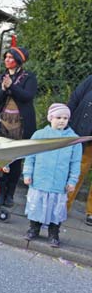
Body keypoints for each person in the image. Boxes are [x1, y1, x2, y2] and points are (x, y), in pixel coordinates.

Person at [23, 104, 82, 247]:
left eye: (65, 118)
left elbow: (75, 163)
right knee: (37, 205)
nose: (62, 121)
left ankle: (54, 233)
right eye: (58, 117)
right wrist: (27, 173)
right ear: (50, 118)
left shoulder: (73, 140)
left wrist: (72, 181)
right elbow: (30, 156)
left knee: (56, 209)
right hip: (40, 179)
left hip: (59, 183)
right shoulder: (39, 135)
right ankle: (34, 229)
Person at [0, 46, 37, 207]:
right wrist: (4, 89)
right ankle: (0, 192)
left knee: (16, 159)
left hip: (20, 124)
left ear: (18, 60)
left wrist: (12, 86)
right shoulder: (1, 77)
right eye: (6, 57)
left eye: (10, 57)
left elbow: (27, 96)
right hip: (3, 122)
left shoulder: (29, 77)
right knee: (2, 158)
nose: (7, 60)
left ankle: (10, 194)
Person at [66, 75, 92, 226]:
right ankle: (64, 205)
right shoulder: (90, 80)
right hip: (85, 134)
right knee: (77, 170)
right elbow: (75, 99)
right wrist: (66, 121)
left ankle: (91, 212)